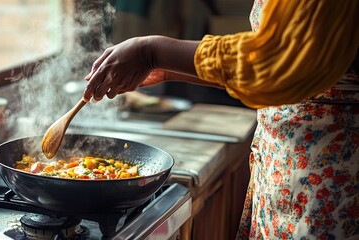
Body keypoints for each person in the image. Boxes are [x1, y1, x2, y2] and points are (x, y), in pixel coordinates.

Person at [83, 0, 359, 239]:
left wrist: (152, 51)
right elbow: (266, 69)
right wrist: (167, 68)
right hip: (288, 172)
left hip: (332, 179)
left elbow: (275, 62)